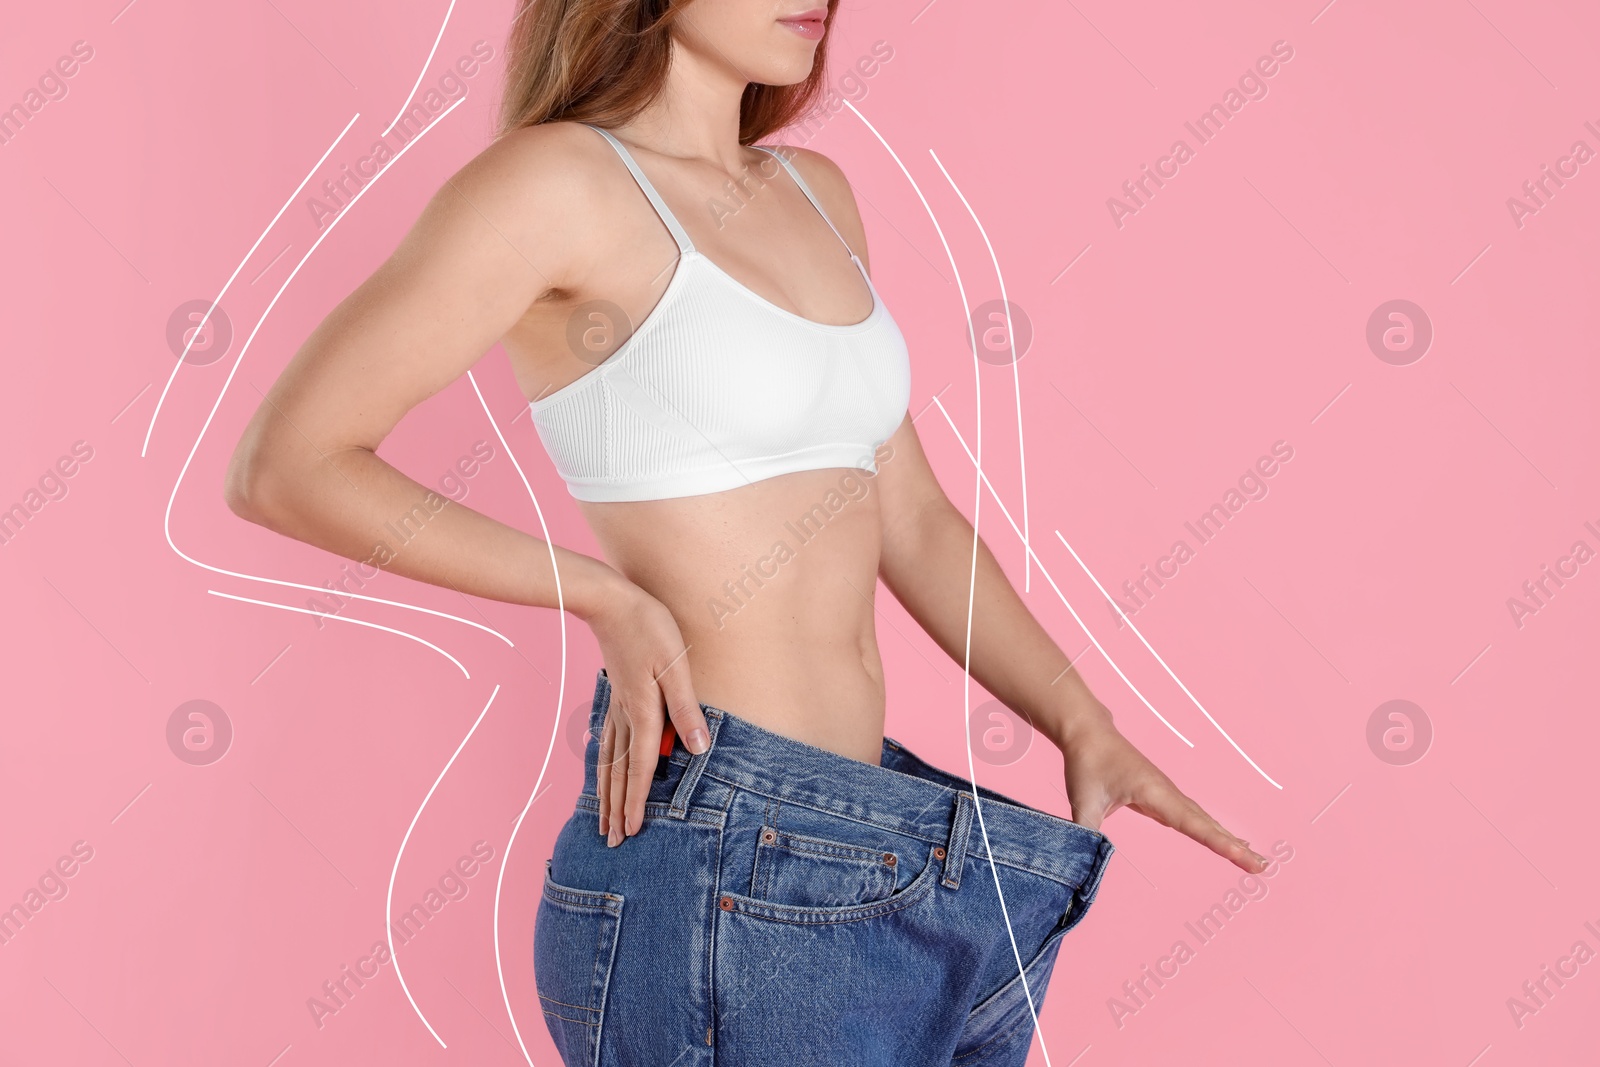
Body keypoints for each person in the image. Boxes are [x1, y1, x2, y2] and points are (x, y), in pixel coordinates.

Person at [225, 1, 1270, 1063]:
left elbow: (908, 511)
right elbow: (286, 465)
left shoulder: (816, 195)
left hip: (880, 838)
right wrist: (600, 592)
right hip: (716, 849)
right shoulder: (558, 186)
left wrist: (1078, 720)